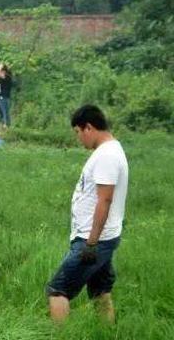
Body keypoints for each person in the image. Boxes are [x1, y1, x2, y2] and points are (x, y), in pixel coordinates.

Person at [46, 105, 128, 323]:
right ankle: (106, 336)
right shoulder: (110, 151)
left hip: (93, 240)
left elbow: (105, 199)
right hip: (101, 237)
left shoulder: (106, 156)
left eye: (77, 132)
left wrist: (91, 243)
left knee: (57, 289)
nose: (78, 139)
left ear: (88, 128)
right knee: (100, 289)